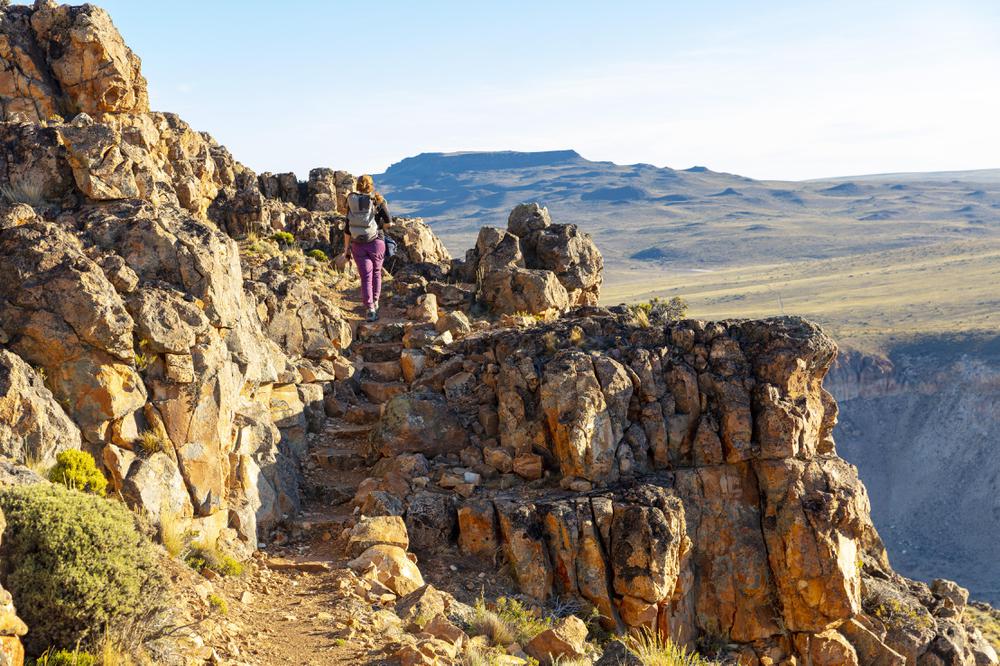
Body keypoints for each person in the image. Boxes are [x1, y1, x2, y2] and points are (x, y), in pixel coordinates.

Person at [343, 174, 392, 321]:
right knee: (376, 272)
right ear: (371, 185)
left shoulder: (352, 202)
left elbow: (347, 229)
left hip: (358, 244)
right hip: (377, 241)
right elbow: (389, 222)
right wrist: (381, 226)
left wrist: (346, 249)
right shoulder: (377, 200)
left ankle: (369, 308)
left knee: (365, 277)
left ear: (357, 186)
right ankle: (375, 302)